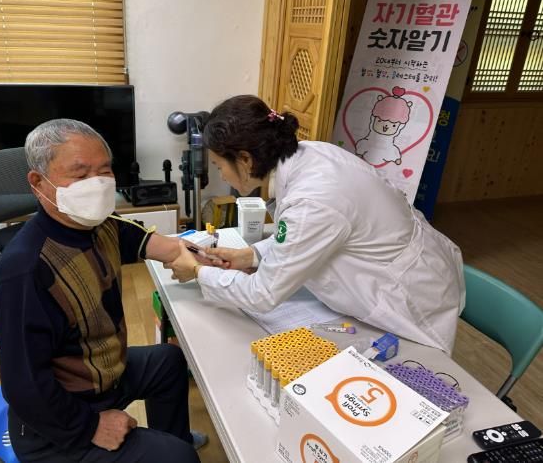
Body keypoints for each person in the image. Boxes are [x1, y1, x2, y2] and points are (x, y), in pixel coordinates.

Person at [165, 95, 466, 354]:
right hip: (402, 266)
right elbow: (303, 238)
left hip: (408, 298)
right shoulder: (309, 154)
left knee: (412, 371)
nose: (221, 175)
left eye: (219, 165)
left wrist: (198, 272)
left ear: (245, 159)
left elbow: (263, 293)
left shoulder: (312, 199)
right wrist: (250, 255)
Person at [0, 119, 208, 462]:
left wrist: (206, 256)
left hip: (99, 374)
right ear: (38, 183)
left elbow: (146, 241)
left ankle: (170, 439)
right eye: (80, 174)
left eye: (104, 171)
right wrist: (89, 427)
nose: (97, 184)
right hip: (55, 427)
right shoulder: (25, 273)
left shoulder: (98, 223)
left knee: (167, 362)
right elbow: (24, 386)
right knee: (179, 458)